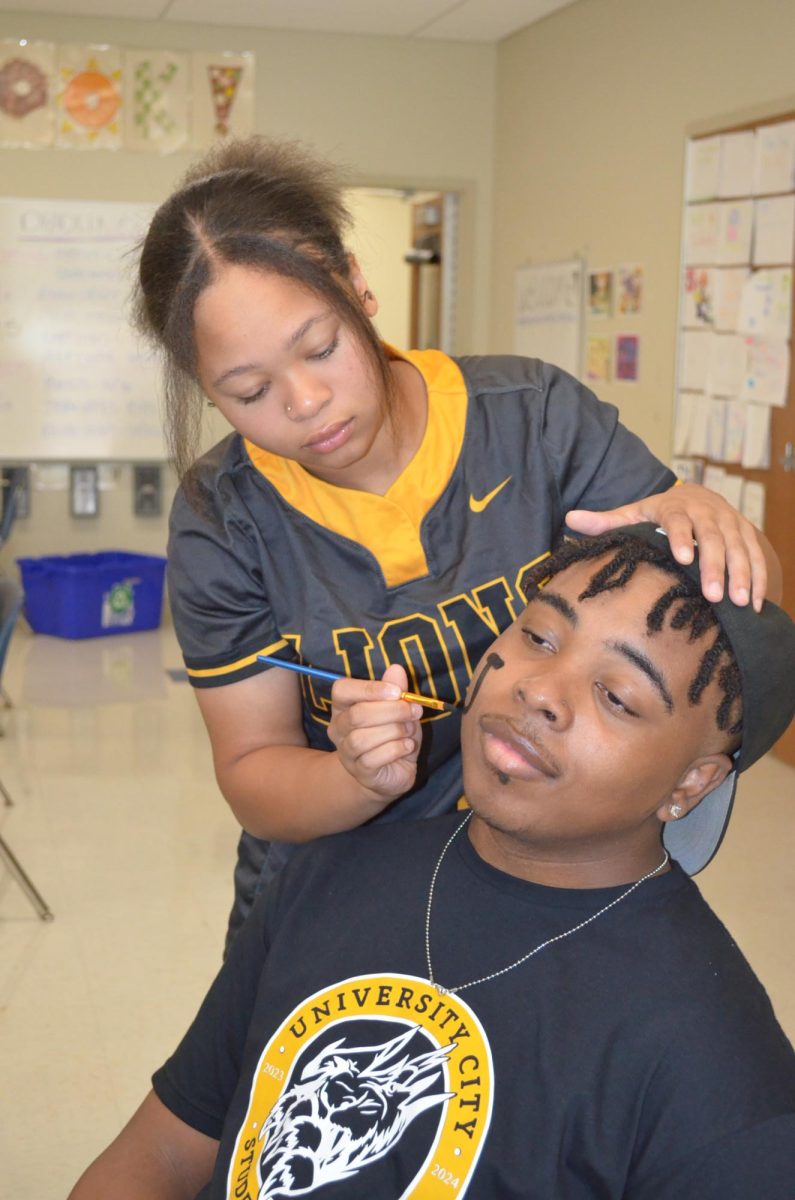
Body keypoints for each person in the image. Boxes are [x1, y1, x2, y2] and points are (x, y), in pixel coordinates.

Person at [135, 136, 782, 944]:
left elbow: (715, 636)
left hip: (539, 879)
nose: (304, 403)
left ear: (357, 285)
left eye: (321, 347)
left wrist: (719, 534)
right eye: (250, 390)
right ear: (207, 388)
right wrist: (352, 776)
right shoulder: (222, 518)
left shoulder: (534, 420)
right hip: (329, 894)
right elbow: (253, 773)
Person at [67, 524, 795, 1199]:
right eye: (538, 635)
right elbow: (166, 1150)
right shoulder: (330, 872)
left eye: (614, 695)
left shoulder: (715, 1064)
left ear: (690, 784)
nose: (538, 690)